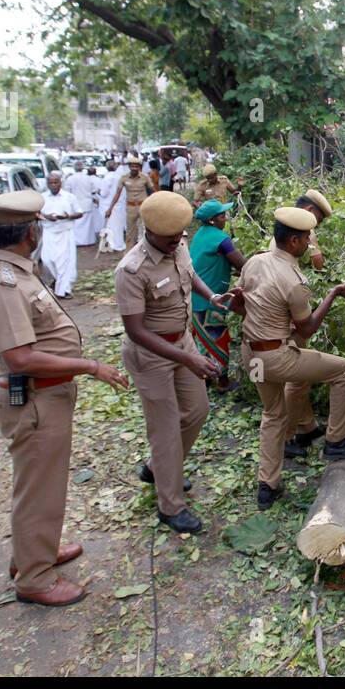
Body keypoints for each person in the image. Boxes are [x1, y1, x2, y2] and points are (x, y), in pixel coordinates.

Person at [0, 189, 129, 606]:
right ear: (30, 232)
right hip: (34, 401)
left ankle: (36, 552)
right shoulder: (3, 284)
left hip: (46, 399)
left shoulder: (14, 270)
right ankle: (34, 579)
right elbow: (19, 356)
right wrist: (89, 366)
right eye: (38, 224)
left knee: (44, 484)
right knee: (38, 488)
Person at [227, 206, 345, 511]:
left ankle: (268, 485)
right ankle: (336, 441)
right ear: (293, 242)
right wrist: (332, 294)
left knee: (272, 415)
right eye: (306, 239)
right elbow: (309, 328)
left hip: (252, 357)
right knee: (343, 370)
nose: (309, 244)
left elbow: (240, 305)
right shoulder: (294, 280)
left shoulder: (254, 262)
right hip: (277, 358)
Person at [115, 192, 229, 534]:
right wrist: (188, 359)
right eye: (170, 239)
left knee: (197, 411)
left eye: (181, 236)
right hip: (151, 355)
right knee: (164, 430)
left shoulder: (176, 245)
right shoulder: (131, 270)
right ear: (149, 231)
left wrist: (211, 296)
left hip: (182, 340)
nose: (178, 242)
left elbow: (189, 274)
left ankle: (158, 468)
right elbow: (135, 331)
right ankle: (170, 506)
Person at [266, 190, 332, 459]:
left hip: (286, 310)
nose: (315, 227)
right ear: (307, 209)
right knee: (296, 379)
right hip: (289, 315)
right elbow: (318, 264)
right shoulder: (301, 231)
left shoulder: (287, 230)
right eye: (317, 218)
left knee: (300, 380)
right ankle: (287, 436)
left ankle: (306, 426)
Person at [189, 199, 246, 390]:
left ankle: (204, 378)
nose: (225, 218)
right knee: (217, 337)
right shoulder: (221, 239)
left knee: (202, 339)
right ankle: (222, 382)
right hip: (211, 297)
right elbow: (242, 265)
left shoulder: (200, 235)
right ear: (212, 220)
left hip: (195, 296)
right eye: (222, 215)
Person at [39, 171, 83, 298]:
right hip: (48, 232)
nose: (53, 185)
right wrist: (46, 216)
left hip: (65, 232)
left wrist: (67, 216)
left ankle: (64, 290)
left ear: (60, 183)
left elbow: (79, 213)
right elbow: (36, 214)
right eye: (50, 183)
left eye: (55, 182)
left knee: (64, 263)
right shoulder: (42, 198)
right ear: (47, 184)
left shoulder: (69, 197)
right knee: (47, 260)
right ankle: (56, 281)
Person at [105, 156, 155, 250]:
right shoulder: (123, 178)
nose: (134, 168)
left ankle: (148, 249)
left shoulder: (145, 177)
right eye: (132, 166)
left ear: (139, 167)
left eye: (136, 166)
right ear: (129, 167)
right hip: (130, 207)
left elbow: (152, 191)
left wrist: (156, 204)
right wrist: (110, 208)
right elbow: (117, 194)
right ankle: (129, 251)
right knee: (130, 231)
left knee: (147, 228)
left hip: (143, 206)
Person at [64, 161, 99, 247]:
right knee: (87, 225)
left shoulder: (70, 179)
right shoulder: (88, 178)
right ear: (82, 168)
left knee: (76, 224)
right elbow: (94, 191)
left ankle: (77, 241)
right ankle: (88, 241)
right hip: (87, 203)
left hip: (75, 204)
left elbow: (67, 193)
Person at [100, 160, 127, 252]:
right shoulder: (119, 176)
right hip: (119, 204)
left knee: (111, 226)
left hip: (110, 205)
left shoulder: (107, 177)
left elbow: (104, 193)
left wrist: (99, 193)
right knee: (118, 226)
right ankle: (117, 243)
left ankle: (114, 245)